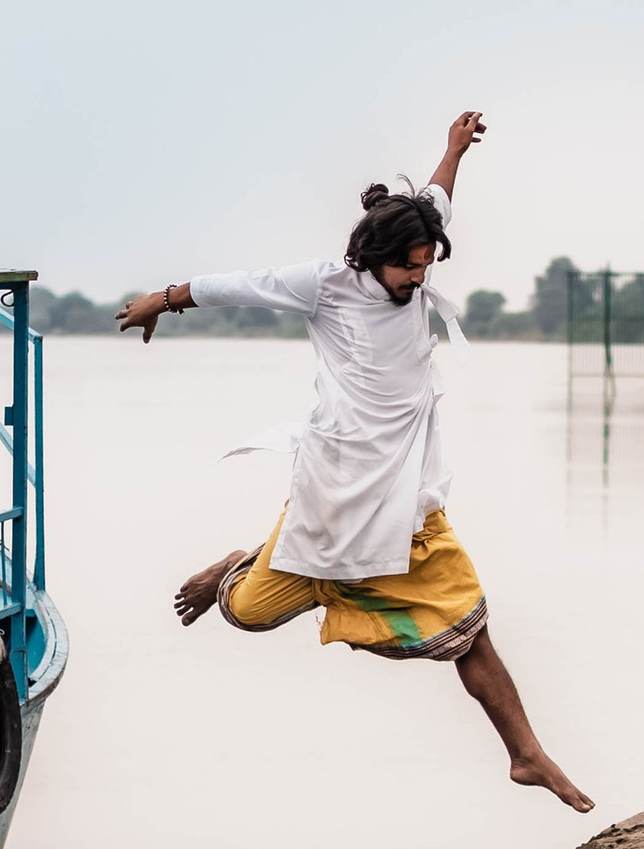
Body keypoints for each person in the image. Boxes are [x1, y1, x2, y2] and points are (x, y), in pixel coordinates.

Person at [119, 110, 592, 810]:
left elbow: (438, 195)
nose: (418, 278)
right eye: (409, 266)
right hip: (333, 495)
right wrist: (160, 300)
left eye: (427, 264)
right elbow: (232, 283)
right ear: (371, 257)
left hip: (407, 504)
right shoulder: (324, 285)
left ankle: (527, 754)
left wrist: (453, 147)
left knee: (470, 628)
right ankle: (240, 562)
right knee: (246, 615)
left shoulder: (418, 245)